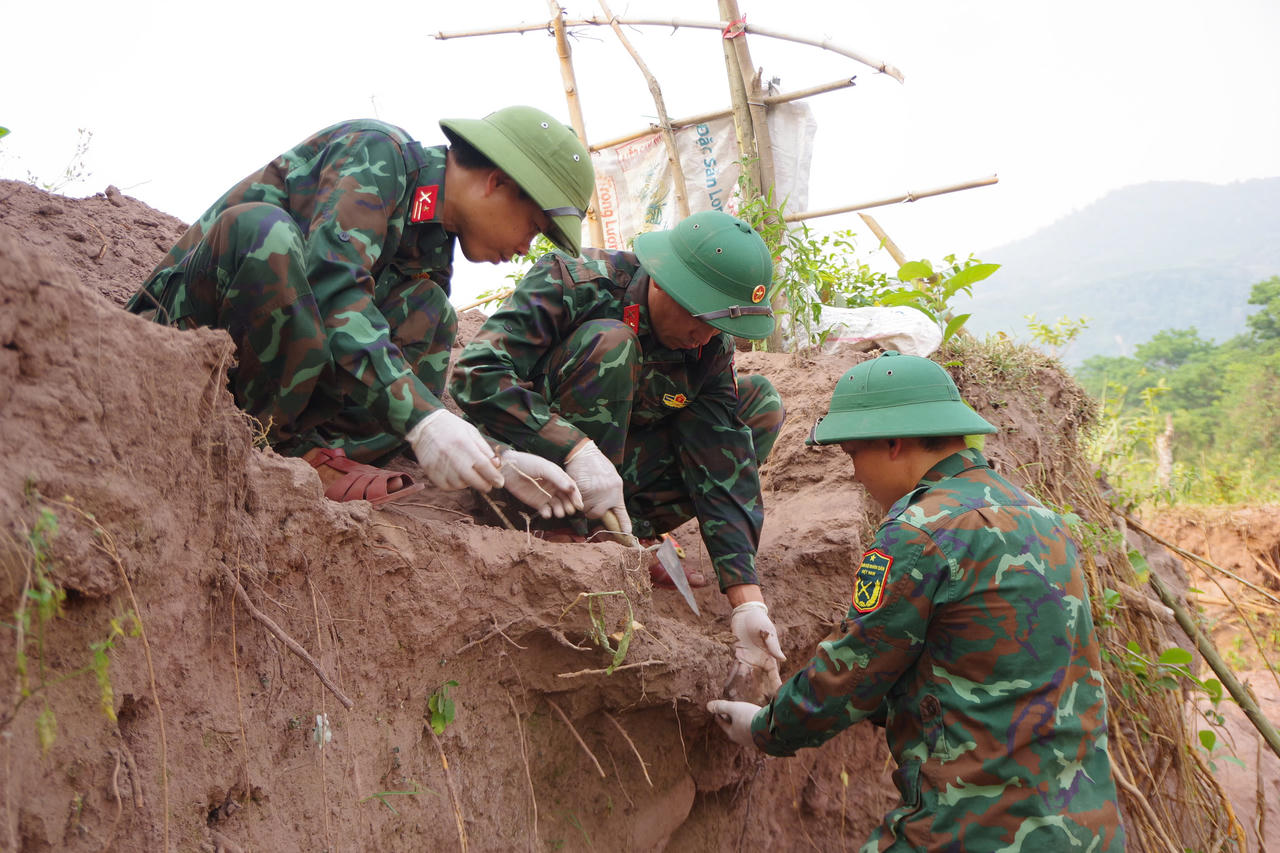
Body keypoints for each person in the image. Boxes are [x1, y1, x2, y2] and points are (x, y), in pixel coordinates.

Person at [707, 351, 1125, 851]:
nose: (856, 475)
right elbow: (979, 667)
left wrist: (764, 726)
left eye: (853, 454)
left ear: (893, 443)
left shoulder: (919, 532)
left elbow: (851, 673)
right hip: (1086, 826)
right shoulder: (1040, 517)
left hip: (978, 829)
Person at [125, 106, 592, 517]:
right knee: (266, 233)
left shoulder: (431, 244)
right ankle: (256, 442)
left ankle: (301, 456)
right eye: (533, 227)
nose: (524, 248)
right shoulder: (378, 151)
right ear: (497, 182)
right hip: (178, 344)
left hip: (272, 393)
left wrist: (498, 461)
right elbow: (334, 289)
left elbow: (384, 357)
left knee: (430, 313)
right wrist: (424, 421)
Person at [450, 210, 787, 698]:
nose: (707, 336)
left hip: (618, 479)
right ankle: (571, 533)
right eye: (700, 317)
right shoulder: (575, 281)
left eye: (718, 325)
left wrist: (746, 600)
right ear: (665, 282)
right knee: (613, 343)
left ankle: (628, 534)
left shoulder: (709, 346)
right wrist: (573, 446)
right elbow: (477, 375)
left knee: (758, 405)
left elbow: (722, 460)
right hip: (530, 472)